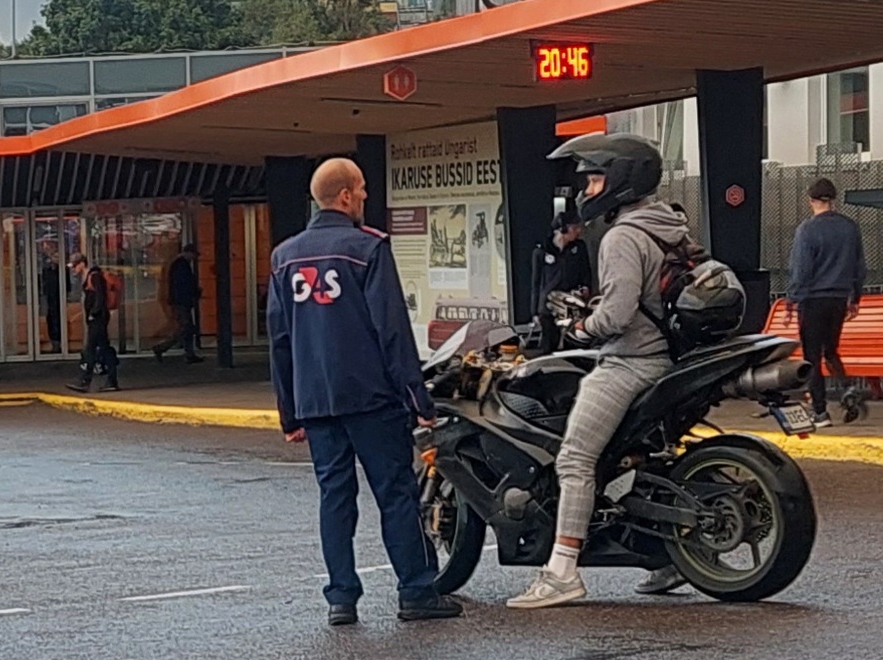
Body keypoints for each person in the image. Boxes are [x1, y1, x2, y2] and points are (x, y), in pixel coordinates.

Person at [266, 156, 461, 626]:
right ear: (345, 196)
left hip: (316, 400)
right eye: (362, 189)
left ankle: (341, 598)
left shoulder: (283, 257)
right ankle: (416, 591)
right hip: (371, 398)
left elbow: (280, 339)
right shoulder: (368, 248)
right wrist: (418, 400)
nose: (366, 197)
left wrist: (290, 413)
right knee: (395, 494)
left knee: (334, 497)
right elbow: (391, 331)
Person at [509, 134, 689, 609]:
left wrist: (583, 326)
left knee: (574, 459)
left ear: (620, 180)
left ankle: (562, 573)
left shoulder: (622, 237)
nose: (586, 190)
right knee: (645, 459)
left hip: (633, 361)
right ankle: (670, 556)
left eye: (593, 180)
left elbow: (619, 314)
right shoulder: (671, 225)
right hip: (673, 360)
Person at [785, 177, 867, 431]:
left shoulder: (807, 230)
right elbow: (859, 266)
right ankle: (847, 386)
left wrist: (792, 299)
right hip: (839, 298)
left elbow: (801, 268)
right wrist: (855, 297)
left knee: (812, 357)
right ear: (833, 199)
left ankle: (820, 412)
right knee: (830, 350)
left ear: (810, 200)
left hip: (813, 299)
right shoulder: (850, 228)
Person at [530, 209, 592, 353]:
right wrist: (534, 312)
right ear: (562, 229)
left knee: (574, 344)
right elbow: (535, 282)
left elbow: (586, 271)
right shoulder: (542, 251)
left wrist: (586, 287)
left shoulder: (579, 247)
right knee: (549, 345)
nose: (578, 231)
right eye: (574, 228)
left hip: (572, 303)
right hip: (549, 306)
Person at [70, 251, 121, 392]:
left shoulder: (94, 276)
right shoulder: (90, 276)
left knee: (91, 349)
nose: (73, 269)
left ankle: (85, 380)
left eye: (75, 265)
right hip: (97, 318)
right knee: (104, 348)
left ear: (82, 264)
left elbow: (100, 297)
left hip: (98, 318)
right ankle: (111, 380)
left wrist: (93, 313)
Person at [154, 242, 204, 364]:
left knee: (186, 329)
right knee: (185, 328)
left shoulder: (178, 264)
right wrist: (195, 292)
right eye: (193, 255)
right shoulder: (182, 265)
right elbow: (184, 285)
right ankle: (162, 347)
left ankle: (189, 354)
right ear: (188, 253)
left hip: (180, 301)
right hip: (181, 302)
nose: (194, 258)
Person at [39, 241, 62, 351]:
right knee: (50, 316)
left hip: (57, 293)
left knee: (57, 316)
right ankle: (54, 340)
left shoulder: (59, 266)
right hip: (49, 294)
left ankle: (58, 341)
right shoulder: (45, 264)